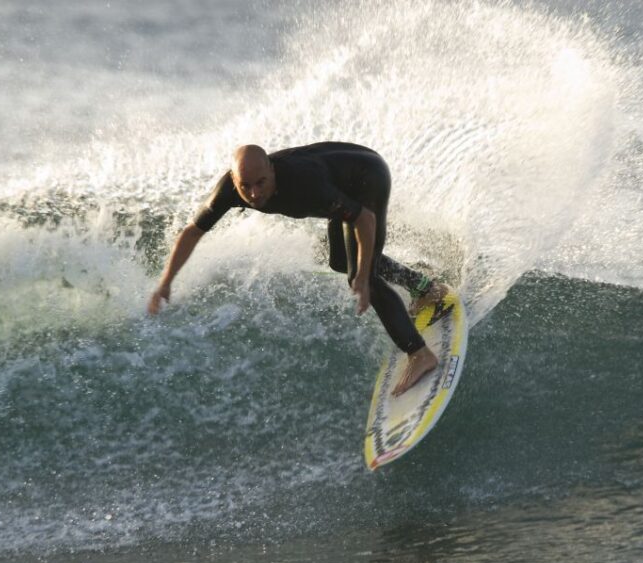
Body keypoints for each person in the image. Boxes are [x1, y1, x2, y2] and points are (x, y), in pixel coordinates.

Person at [147, 142, 447, 396]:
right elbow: (192, 232)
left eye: (260, 183)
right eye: (245, 186)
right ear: (234, 180)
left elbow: (364, 220)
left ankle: (419, 354)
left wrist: (366, 277)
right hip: (340, 183)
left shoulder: (306, 183)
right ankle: (424, 288)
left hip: (367, 178)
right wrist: (165, 282)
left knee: (360, 274)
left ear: (272, 172)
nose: (253, 193)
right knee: (342, 262)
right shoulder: (230, 190)